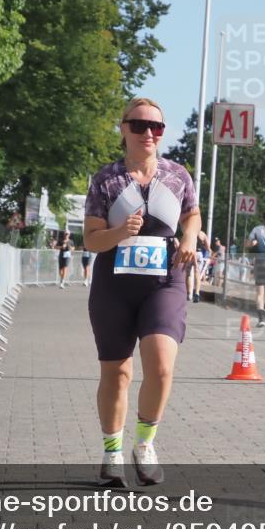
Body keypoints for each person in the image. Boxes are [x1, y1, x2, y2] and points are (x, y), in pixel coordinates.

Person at [83, 97, 200, 487]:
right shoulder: (106, 179)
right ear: (123, 129)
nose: (149, 133)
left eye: (157, 127)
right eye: (139, 125)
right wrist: (120, 232)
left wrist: (189, 236)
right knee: (117, 373)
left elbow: (192, 214)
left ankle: (145, 444)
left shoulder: (177, 175)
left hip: (164, 281)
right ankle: (112, 453)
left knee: (162, 365)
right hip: (114, 283)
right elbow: (91, 240)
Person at [189, 230, 210, 302]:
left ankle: (189, 293)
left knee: (188, 273)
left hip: (190, 252)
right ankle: (197, 293)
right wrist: (203, 245)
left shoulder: (190, 230)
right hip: (199, 253)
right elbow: (208, 247)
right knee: (197, 274)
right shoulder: (202, 234)